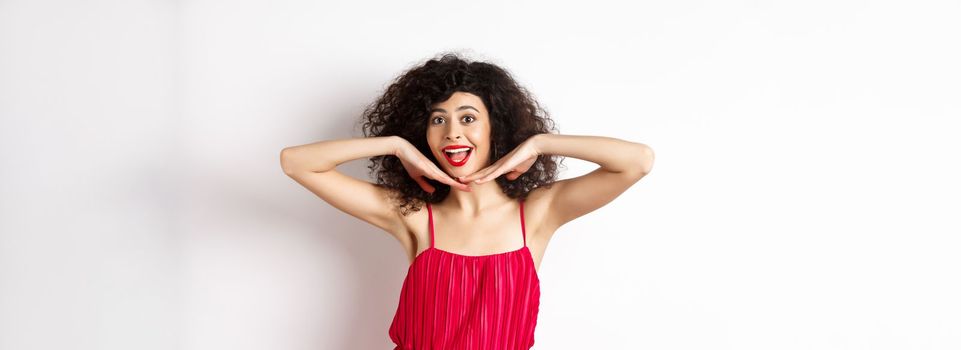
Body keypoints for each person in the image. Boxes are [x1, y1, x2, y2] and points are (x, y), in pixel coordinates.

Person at [280, 52, 655, 349]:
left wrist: (538, 144)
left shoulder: (536, 214)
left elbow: (637, 162)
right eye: (437, 120)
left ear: (498, 128)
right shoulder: (412, 216)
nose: (452, 133)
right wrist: (396, 146)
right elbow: (296, 163)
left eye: (468, 118)